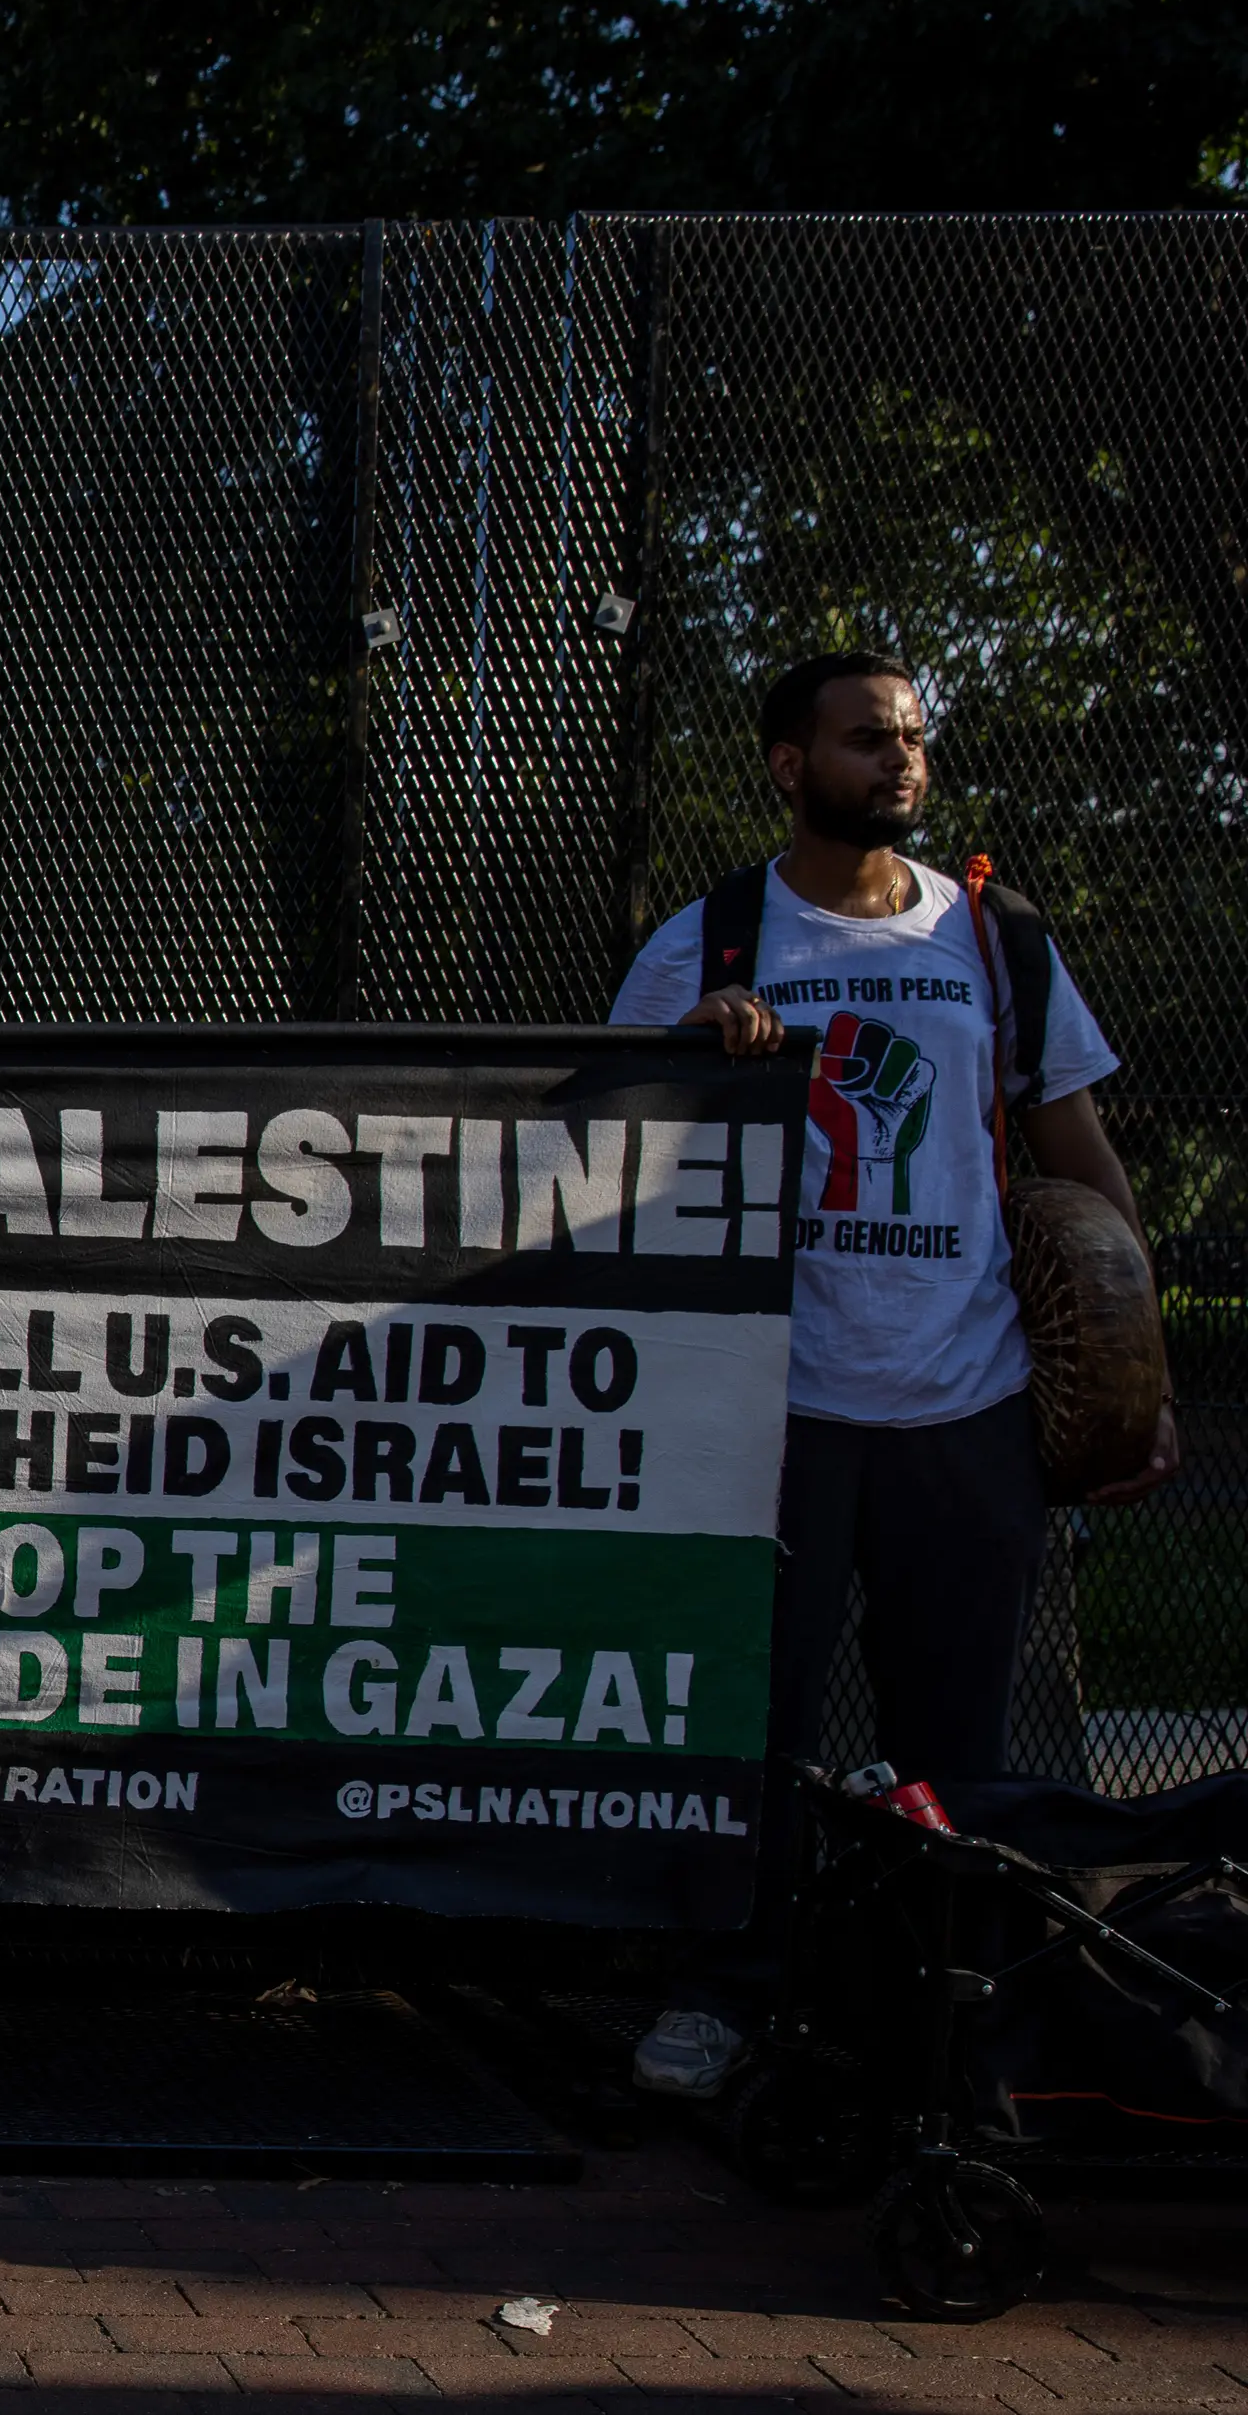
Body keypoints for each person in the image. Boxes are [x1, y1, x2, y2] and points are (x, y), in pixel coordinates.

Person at [608, 648, 1179, 2098]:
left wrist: (1141, 1369)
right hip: (775, 1405)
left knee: (959, 1752)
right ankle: (724, 1995)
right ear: (792, 765)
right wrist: (695, 1062)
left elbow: (1078, 1155)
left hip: (963, 1403)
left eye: (913, 739)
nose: (903, 763)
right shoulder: (713, 940)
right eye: (869, 741)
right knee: (752, 1723)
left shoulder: (997, 939)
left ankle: (959, 2021)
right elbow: (601, 1152)